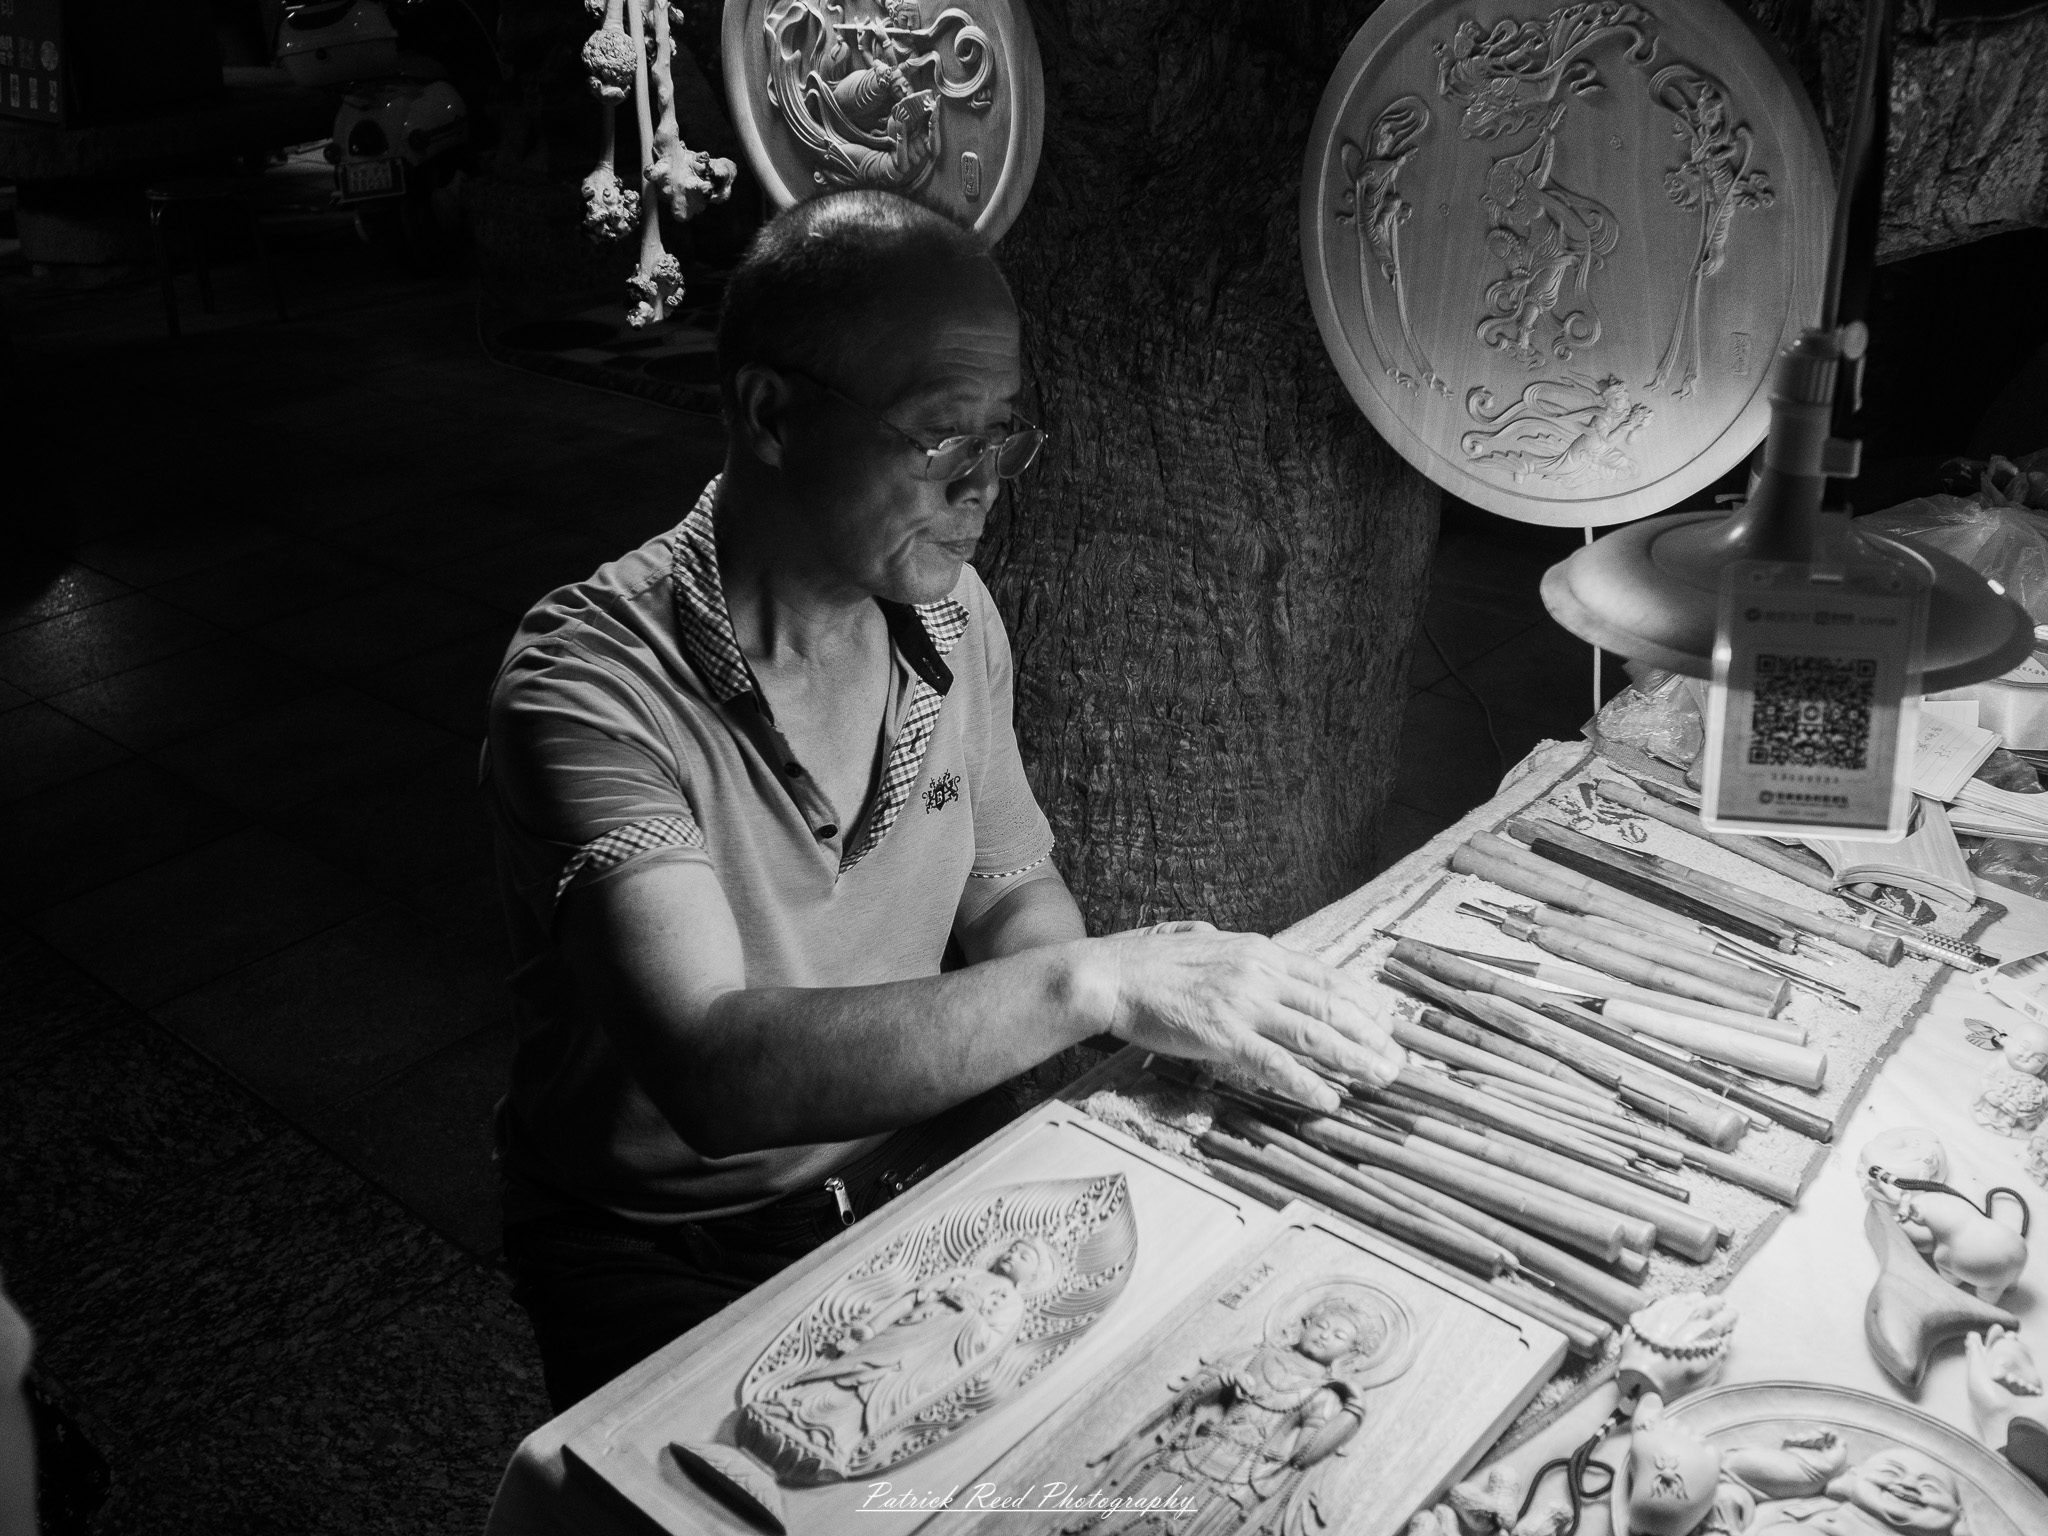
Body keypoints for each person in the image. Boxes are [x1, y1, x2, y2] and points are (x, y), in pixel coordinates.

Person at [484, 188, 1403, 1412]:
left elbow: (1009, 885)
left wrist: (1119, 1045)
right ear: (770, 413)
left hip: (917, 1168)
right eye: (936, 439)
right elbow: (713, 1070)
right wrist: (1094, 984)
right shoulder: (591, 687)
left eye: (1002, 438)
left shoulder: (949, 619)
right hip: (672, 1248)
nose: (983, 486)